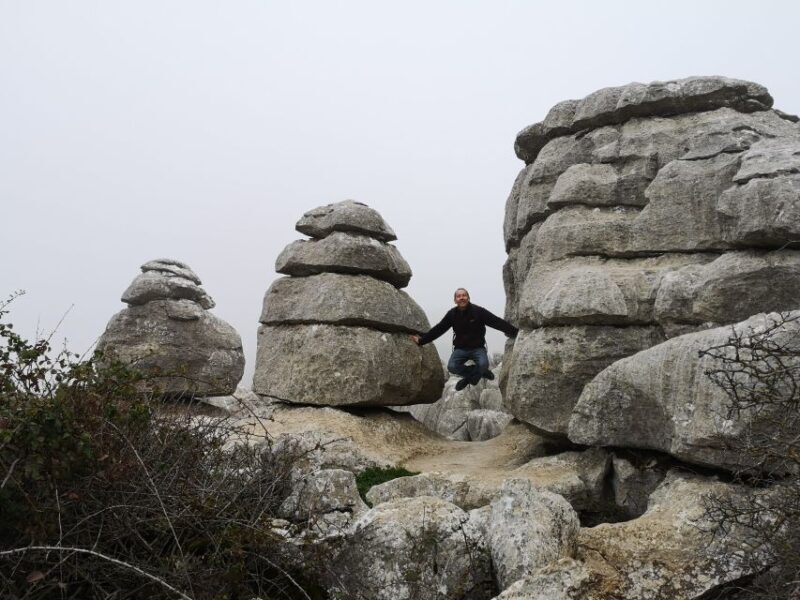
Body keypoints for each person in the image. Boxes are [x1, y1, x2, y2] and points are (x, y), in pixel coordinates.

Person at [411, 288, 518, 391]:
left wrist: (515, 332)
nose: (462, 298)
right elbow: (439, 329)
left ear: (468, 298)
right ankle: (482, 373)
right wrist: (422, 340)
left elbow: (496, 321)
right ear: (455, 300)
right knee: (452, 367)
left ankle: (467, 380)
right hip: (460, 349)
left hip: (478, 348)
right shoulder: (452, 314)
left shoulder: (478, 311)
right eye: (459, 296)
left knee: (483, 364)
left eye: (464, 295)